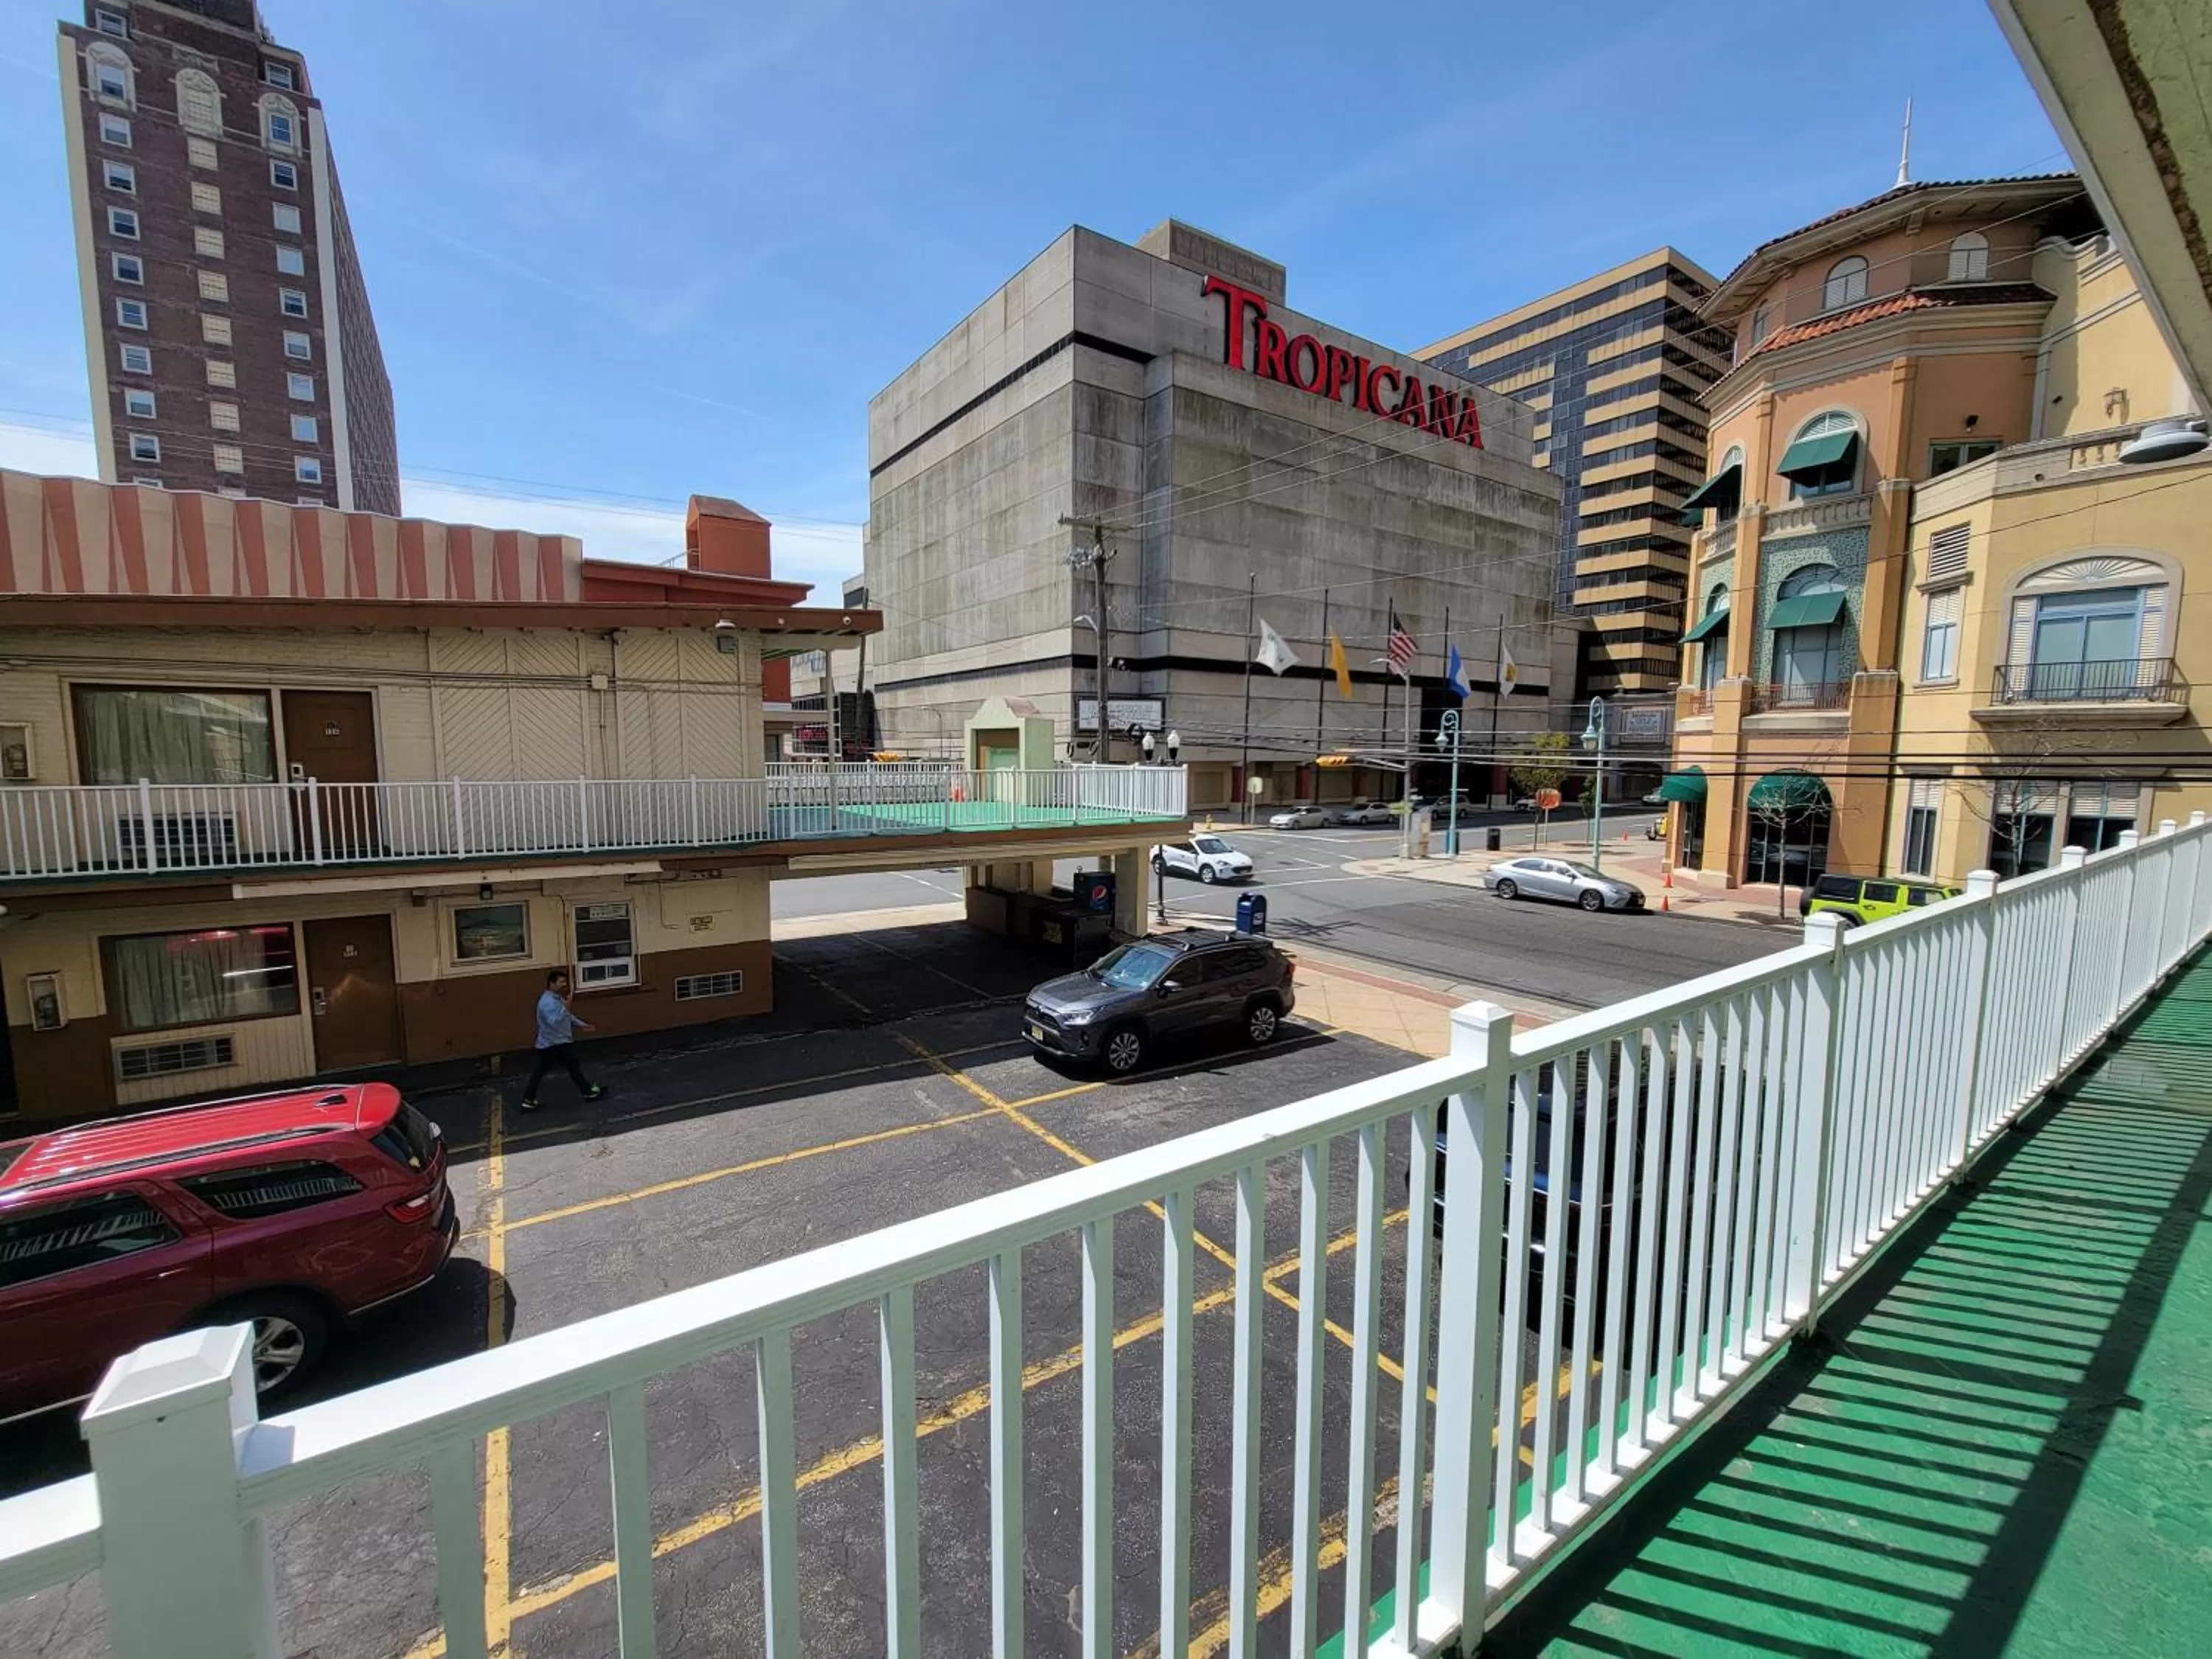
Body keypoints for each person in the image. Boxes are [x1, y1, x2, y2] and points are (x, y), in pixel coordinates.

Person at [521, 968, 605, 1111]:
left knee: (567, 1068)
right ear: (551, 983)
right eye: (561, 982)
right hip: (554, 1043)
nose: (564, 985)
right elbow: (555, 1021)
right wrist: (566, 1006)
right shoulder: (547, 1002)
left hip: (557, 1042)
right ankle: (588, 1092)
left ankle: (529, 1099)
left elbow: (567, 1016)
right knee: (566, 1068)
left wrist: (582, 1025)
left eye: (565, 982)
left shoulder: (555, 998)